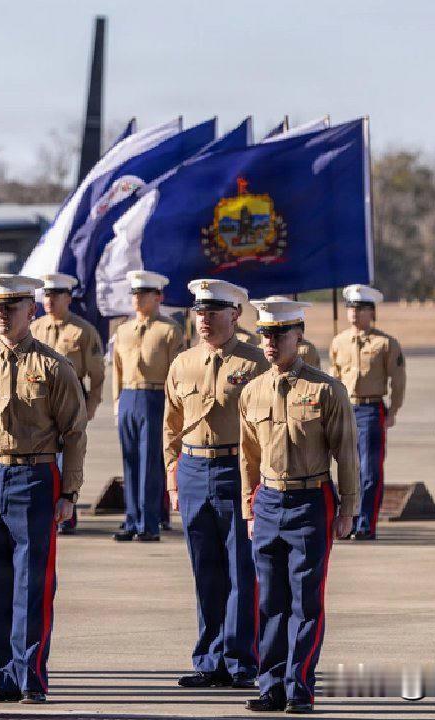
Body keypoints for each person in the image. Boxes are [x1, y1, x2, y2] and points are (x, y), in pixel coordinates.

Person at [0, 274, 87, 704]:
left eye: (11, 307)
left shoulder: (54, 366)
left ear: (30, 311)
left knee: (33, 584)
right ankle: (0, 677)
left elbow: (74, 433)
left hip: (35, 478)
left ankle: (30, 674)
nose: (1, 314)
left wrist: (69, 494)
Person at [238, 298, 357, 713]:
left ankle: (300, 684)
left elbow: (347, 452)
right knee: (269, 600)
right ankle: (270, 685)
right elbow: (248, 456)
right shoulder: (252, 391)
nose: (270, 343)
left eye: (279, 334)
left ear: (298, 336)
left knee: (305, 600)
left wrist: (349, 508)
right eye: (265, 334)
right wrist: (249, 509)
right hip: (268, 500)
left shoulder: (326, 389)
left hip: (311, 499)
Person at [164, 279, 268, 690]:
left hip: (234, 470)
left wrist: (259, 485)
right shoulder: (182, 363)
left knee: (241, 568)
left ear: (235, 315)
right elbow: (171, 427)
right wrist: (172, 479)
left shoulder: (255, 363)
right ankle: (209, 658)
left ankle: (241, 658)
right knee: (205, 568)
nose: (204, 319)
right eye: (199, 311)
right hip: (192, 471)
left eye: (213, 311)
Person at [329, 284, 406, 540]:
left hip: (371, 410)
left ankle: (365, 525)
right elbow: (334, 377)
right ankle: (344, 522)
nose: (354, 313)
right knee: (343, 469)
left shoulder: (385, 343)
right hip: (345, 409)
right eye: (350, 307)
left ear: (372, 312)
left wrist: (393, 409)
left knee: (370, 472)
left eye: (360, 308)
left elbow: (398, 379)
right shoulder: (338, 342)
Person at [111, 270, 184, 541]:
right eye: (135, 293)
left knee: (151, 464)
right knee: (130, 461)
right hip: (129, 396)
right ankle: (131, 519)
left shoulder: (169, 330)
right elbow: (117, 371)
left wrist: (173, 409)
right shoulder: (123, 330)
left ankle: (149, 524)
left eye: (144, 294)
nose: (138, 298)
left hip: (155, 398)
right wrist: (118, 402)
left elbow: (175, 373)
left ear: (158, 297)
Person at [31, 272, 104, 535]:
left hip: (72, 399)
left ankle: (66, 513)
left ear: (68, 298)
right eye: (46, 294)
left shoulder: (83, 331)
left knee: (68, 456)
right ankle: (46, 511)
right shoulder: (35, 328)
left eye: (55, 295)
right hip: (39, 401)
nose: (49, 300)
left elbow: (97, 374)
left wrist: (92, 406)